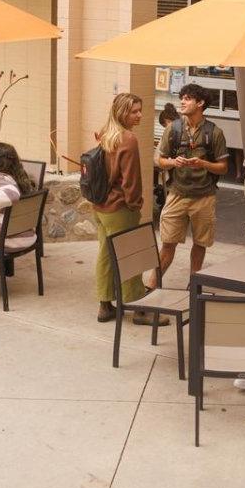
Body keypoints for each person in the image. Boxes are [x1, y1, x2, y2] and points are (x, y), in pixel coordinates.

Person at [87, 93, 163, 326]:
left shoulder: (105, 134)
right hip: (120, 207)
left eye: (140, 110)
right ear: (121, 112)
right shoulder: (128, 139)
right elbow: (131, 180)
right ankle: (139, 309)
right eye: (134, 111)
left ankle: (104, 305)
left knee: (106, 253)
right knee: (131, 255)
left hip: (100, 205)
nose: (139, 115)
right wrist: (136, 204)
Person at [148, 83, 229, 287]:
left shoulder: (214, 133)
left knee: (200, 244)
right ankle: (150, 287)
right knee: (168, 244)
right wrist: (174, 162)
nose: (182, 102)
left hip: (204, 196)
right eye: (181, 97)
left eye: (187, 98)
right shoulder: (172, 129)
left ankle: (194, 286)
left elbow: (223, 168)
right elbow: (159, 160)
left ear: (200, 103)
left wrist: (203, 164)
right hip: (177, 193)